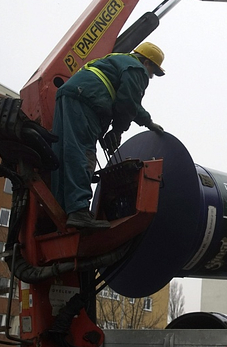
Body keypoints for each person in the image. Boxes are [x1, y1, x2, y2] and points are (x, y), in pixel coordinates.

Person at [51, 42, 166, 229]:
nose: (150, 77)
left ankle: (63, 210)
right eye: (152, 71)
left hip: (70, 95)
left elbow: (125, 100)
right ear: (146, 62)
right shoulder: (136, 68)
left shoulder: (115, 60)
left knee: (64, 153)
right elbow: (128, 101)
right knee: (83, 152)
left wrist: (143, 122)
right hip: (87, 99)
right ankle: (79, 211)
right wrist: (119, 130)